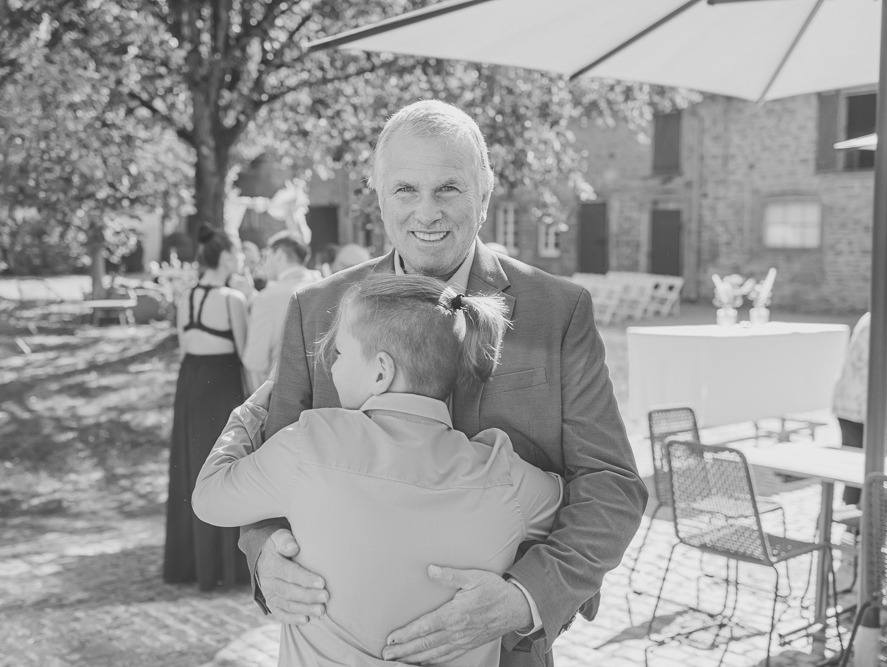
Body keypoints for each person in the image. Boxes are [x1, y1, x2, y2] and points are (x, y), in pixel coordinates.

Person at [237, 100, 646, 666]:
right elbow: (270, 467)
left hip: (500, 651)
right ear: (378, 195)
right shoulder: (317, 308)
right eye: (405, 189)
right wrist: (264, 555)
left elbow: (612, 484)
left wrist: (523, 598)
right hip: (340, 645)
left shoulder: (559, 311)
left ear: (485, 190)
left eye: (448, 188)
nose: (426, 212)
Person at [194, 274, 563, 666]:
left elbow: (208, 498)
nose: (330, 368)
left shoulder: (310, 442)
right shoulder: (502, 474)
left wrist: (247, 416)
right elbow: (570, 508)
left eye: (339, 354)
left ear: (381, 372)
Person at [163, 224, 252, 591]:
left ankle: (191, 563)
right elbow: (246, 355)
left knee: (189, 466)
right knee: (224, 466)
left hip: (191, 382)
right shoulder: (232, 298)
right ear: (228, 257)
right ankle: (226, 565)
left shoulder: (186, 297)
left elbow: (185, 346)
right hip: (222, 382)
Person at [242, 231, 319, 393]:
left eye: (267, 255)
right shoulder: (326, 287)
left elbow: (255, 361)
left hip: (283, 397)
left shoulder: (267, 298)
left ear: (279, 254)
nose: (264, 263)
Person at [831, 311, 873, 593]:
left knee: (864, 474)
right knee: (859, 474)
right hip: (858, 408)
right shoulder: (876, 321)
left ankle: (861, 539)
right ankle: (854, 543)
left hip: (863, 406)